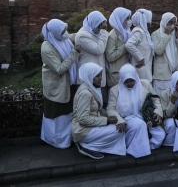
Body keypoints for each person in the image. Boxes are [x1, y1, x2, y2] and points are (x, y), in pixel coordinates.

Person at [107, 64, 165, 158]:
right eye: (126, 81)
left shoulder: (145, 84)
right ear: (122, 80)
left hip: (146, 117)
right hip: (127, 119)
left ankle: (143, 146)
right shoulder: (115, 90)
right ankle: (140, 153)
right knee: (139, 124)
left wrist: (158, 111)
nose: (129, 83)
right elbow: (110, 109)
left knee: (160, 135)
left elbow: (155, 99)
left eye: (132, 80)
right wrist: (119, 120)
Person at [41, 19, 81, 149]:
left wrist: (84, 32)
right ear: (55, 33)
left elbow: (71, 36)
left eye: (65, 29)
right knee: (56, 115)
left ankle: (67, 140)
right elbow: (59, 69)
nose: (65, 33)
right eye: (62, 31)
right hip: (57, 86)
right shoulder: (47, 48)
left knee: (68, 114)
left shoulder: (62, 39)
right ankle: (56, 141)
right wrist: (74, 53)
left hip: (69, 84)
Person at [72, 63, 126, 159]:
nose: (101, 78)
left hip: (90, 127)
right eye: (97, 76)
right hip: (82, 130)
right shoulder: (85, 93)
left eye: (101, 75)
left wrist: (115, 115)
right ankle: (87, 146)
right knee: (118, 130)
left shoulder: (91, 87)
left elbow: (99, 110)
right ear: (89, 76)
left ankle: (91, 145)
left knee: (119, 125)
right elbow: (83, 119)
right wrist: (106, 121)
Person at [75, 11, 108, 91]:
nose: (103, 26)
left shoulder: (95, 33)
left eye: (104, 23)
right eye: (101, 24)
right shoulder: (82, 35)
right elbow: (99, 49)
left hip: (98, 77)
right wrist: (103, 31)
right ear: (94, 23)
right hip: (88, 78)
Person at [151, 12, 178, 97]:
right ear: (164, 21)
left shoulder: (173, 35)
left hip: (174, 71)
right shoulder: (155, 34)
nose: (172, 25)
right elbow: (158, 51)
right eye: (170, 22)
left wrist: (176, 37)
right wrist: (165, 35)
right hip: (162, 74)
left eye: (174, 23)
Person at [125, 9, 154, 82]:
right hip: (141, 72)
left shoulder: (144, 32)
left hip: (145, 71)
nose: (150, 23)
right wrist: (140, 58)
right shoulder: (139, 32)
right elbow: (129, 44)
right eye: (148, 20)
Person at [105, 7, 132, 87]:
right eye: (127, 18)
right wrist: (125, 46)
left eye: (129, 18)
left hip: (127, 74)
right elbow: (110, 56)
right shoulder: (112, 35)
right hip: (116, 76)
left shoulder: (127, 32)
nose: (129, 20)